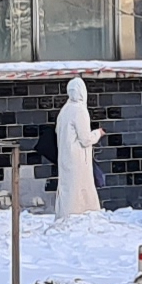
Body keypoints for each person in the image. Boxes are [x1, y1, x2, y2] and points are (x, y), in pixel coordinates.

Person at [54, 78, 103, 217]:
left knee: (67, 187)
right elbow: (85, 139)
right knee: (81, 187)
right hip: (79, 158)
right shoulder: (80, 110)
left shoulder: (64, 110)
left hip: (64, 155)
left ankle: (65, 214)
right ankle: (83, 214)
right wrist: (98, 133)